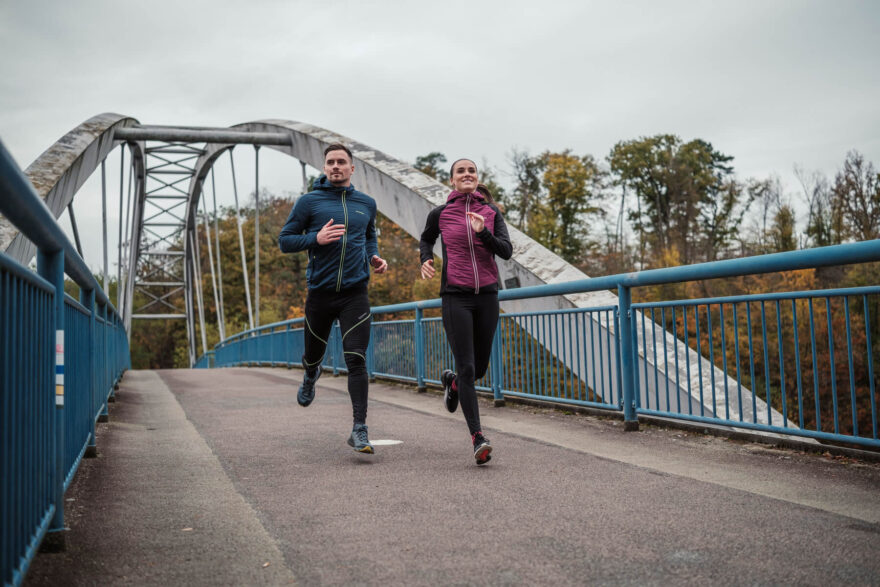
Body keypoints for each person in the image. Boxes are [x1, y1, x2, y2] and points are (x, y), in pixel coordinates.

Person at [278, 143, 388, 454]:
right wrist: (316, 238)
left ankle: (360, 428)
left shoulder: (366, 203)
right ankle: (311, 374)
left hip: (355, 294)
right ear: (324, 168)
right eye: (330, 162)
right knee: (313, 354)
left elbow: (369, 235)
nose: (336, 166)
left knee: (357, 359)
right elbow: (285, 240)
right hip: (320, 295)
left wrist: (374, 257)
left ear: (353, 168)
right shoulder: (309, 203)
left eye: (341, 162)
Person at [419, 159, 512, 465]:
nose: (467, 175)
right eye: (461, 171)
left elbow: (506, 251)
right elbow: (426, 238)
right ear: (453, 180)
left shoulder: (491, 212)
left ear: (476, 178)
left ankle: (454, 382)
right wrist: (426, 259)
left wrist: (483, 232)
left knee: (479, 368)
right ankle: (478, 438)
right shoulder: (441, 213)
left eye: (471, 171)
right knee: (469, 367)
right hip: (455, 297)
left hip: (487, 295)